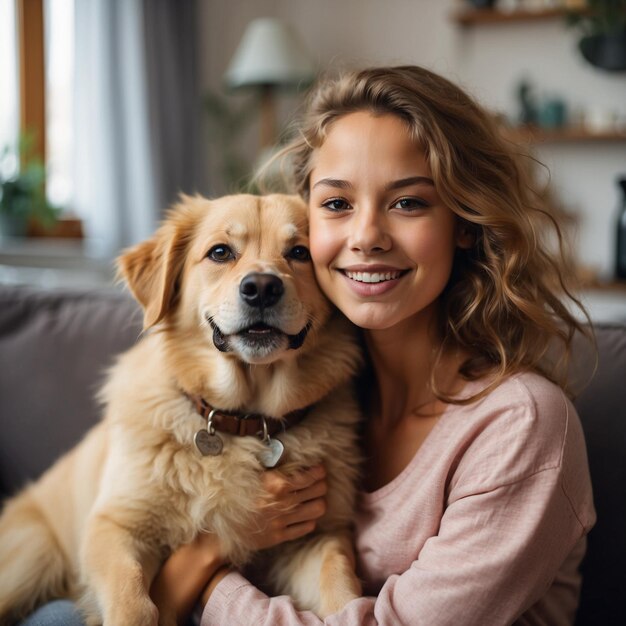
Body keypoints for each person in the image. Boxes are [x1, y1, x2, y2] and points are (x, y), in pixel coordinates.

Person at [20, 65, 595, 626]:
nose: (366, 236)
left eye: (408, 202)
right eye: (338, 204)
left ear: (465, 222)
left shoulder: (519, 426)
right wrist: (204, 553)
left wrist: (208, 564)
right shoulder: (333, 388)